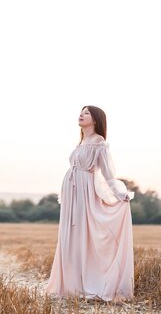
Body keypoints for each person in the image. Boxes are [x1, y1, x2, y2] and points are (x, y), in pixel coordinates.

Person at [46, 105, 135, 303]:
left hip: (85, 192)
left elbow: (108, 174)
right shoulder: (81, 141)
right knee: (70, 235)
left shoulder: (99, 143)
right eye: (81, 111)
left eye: (86, 113)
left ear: (95, 119)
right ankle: (70, 285)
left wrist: (120, 193)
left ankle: (89, 284)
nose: (81, 114)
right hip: (72, 191)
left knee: (83, 234)